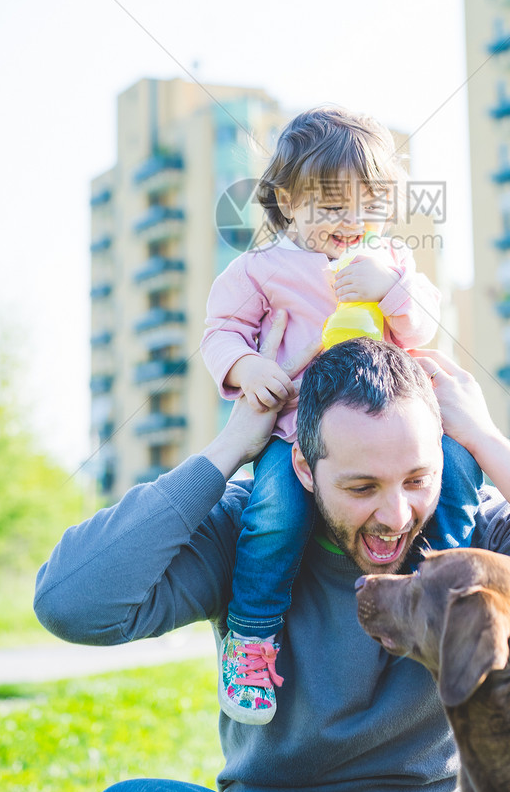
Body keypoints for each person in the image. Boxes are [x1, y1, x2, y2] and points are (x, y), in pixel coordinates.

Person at [34, 327, 510, 792]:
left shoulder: (470, 544)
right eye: (363, 487)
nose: (397, 515)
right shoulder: (250, 535)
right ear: (305, 470)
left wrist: (486, 438)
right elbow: (70, 602)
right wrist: (231, 446)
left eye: (417, 478)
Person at [200, 106, 482, 724]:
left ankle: (446, 596)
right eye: (330, 205)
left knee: (459, 471)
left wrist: (390, 288)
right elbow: (221, 333)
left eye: (369, 203)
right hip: (297, 432)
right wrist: (247, 369)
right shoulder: (260, 270)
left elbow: (424, 324)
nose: (351, 221)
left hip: (398, 433)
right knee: (274, 511)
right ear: (284, 201)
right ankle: (251, 639)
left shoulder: (390, 262)